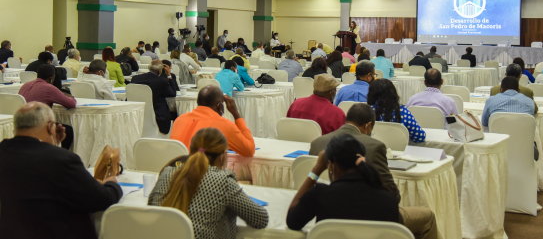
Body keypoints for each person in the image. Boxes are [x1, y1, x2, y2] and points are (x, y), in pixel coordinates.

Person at [0, 102, 123, 239]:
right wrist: (112, 184)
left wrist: (53, 145)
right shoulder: (62, 160)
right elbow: (102, 199)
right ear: (49, 127)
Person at [298, 133, 438, 239]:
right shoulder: (387, 199)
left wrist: (316, 169)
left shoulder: (320, 194)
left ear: (332, 166)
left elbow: (293, 221)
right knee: (427, 217)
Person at [149, 127, 267, 238]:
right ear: (223, 157)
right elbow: (260, 219)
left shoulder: (167, 173)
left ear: (191, 152)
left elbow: (152, 206)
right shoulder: (223, 182)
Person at [309, 103, 399, 201]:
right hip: (360, 208)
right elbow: (391, 193)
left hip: (323, 203)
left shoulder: (316, 143)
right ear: (368, 126)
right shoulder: (375, 147)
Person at [170, 87, 256, 156]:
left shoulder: (179, 120)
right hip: (201, 176)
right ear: (219, 105)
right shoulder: (224, 124)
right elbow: (249, 150)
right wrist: (236, 114)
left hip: (174, 174)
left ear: (197, 102)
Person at [18, 65, 76, 149]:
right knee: (68, 131)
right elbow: (71, 104)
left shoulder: (25, 85)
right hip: (38, 124)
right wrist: (70, 97)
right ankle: (59, 156)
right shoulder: (49, 88)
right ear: (51, 78)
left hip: (22, 123)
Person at [131, 60, 178, 134]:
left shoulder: (135, 78)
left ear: (149, 67)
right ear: (160, 71)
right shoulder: (162, 81)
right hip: (158, 115)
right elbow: (172, 93)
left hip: (138, 113)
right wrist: (169, 74)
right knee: (176, 114)